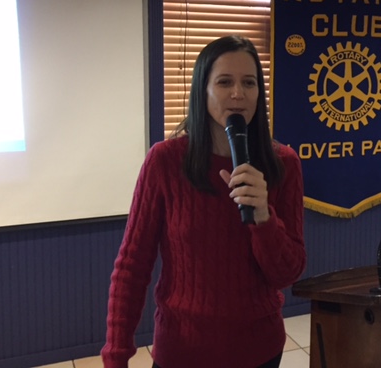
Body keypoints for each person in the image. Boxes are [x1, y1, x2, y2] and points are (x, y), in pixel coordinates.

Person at [101, 35, 306, 368]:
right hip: (182, 352)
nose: (238, 93)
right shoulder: (165, 161)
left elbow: (288, 273)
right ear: (202, 90)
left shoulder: (283, 163)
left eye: (249, 83)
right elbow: (132, 265)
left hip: (259, 351)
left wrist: (264, 218)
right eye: (224, 82)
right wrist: (116, 354)